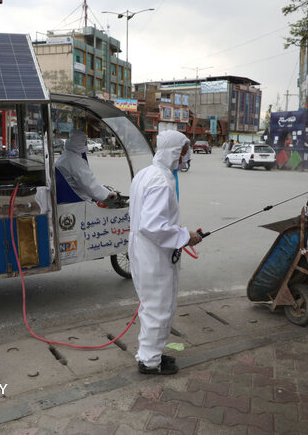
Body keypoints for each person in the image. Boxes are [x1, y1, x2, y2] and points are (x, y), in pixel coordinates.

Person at [129, 130, 202, 375]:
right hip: (155, 253)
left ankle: (151, 353)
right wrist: (185, 236)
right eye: (184, 150)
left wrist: (178, 233)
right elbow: (152, 226)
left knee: (151, 305)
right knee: (159, 307)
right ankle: (150, 363)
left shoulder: (146, 174)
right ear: (173, 151)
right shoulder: (160, 180)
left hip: (143, 250)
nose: (186, 155)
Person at [55, 129, 117, 203]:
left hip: (67, 196)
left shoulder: (66, 156)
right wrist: (108, 194)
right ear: (78, 143)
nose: (86, 145)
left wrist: (101, 187)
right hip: (78, 200)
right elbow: (89, 184)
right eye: (85, 143)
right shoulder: (74, 160)